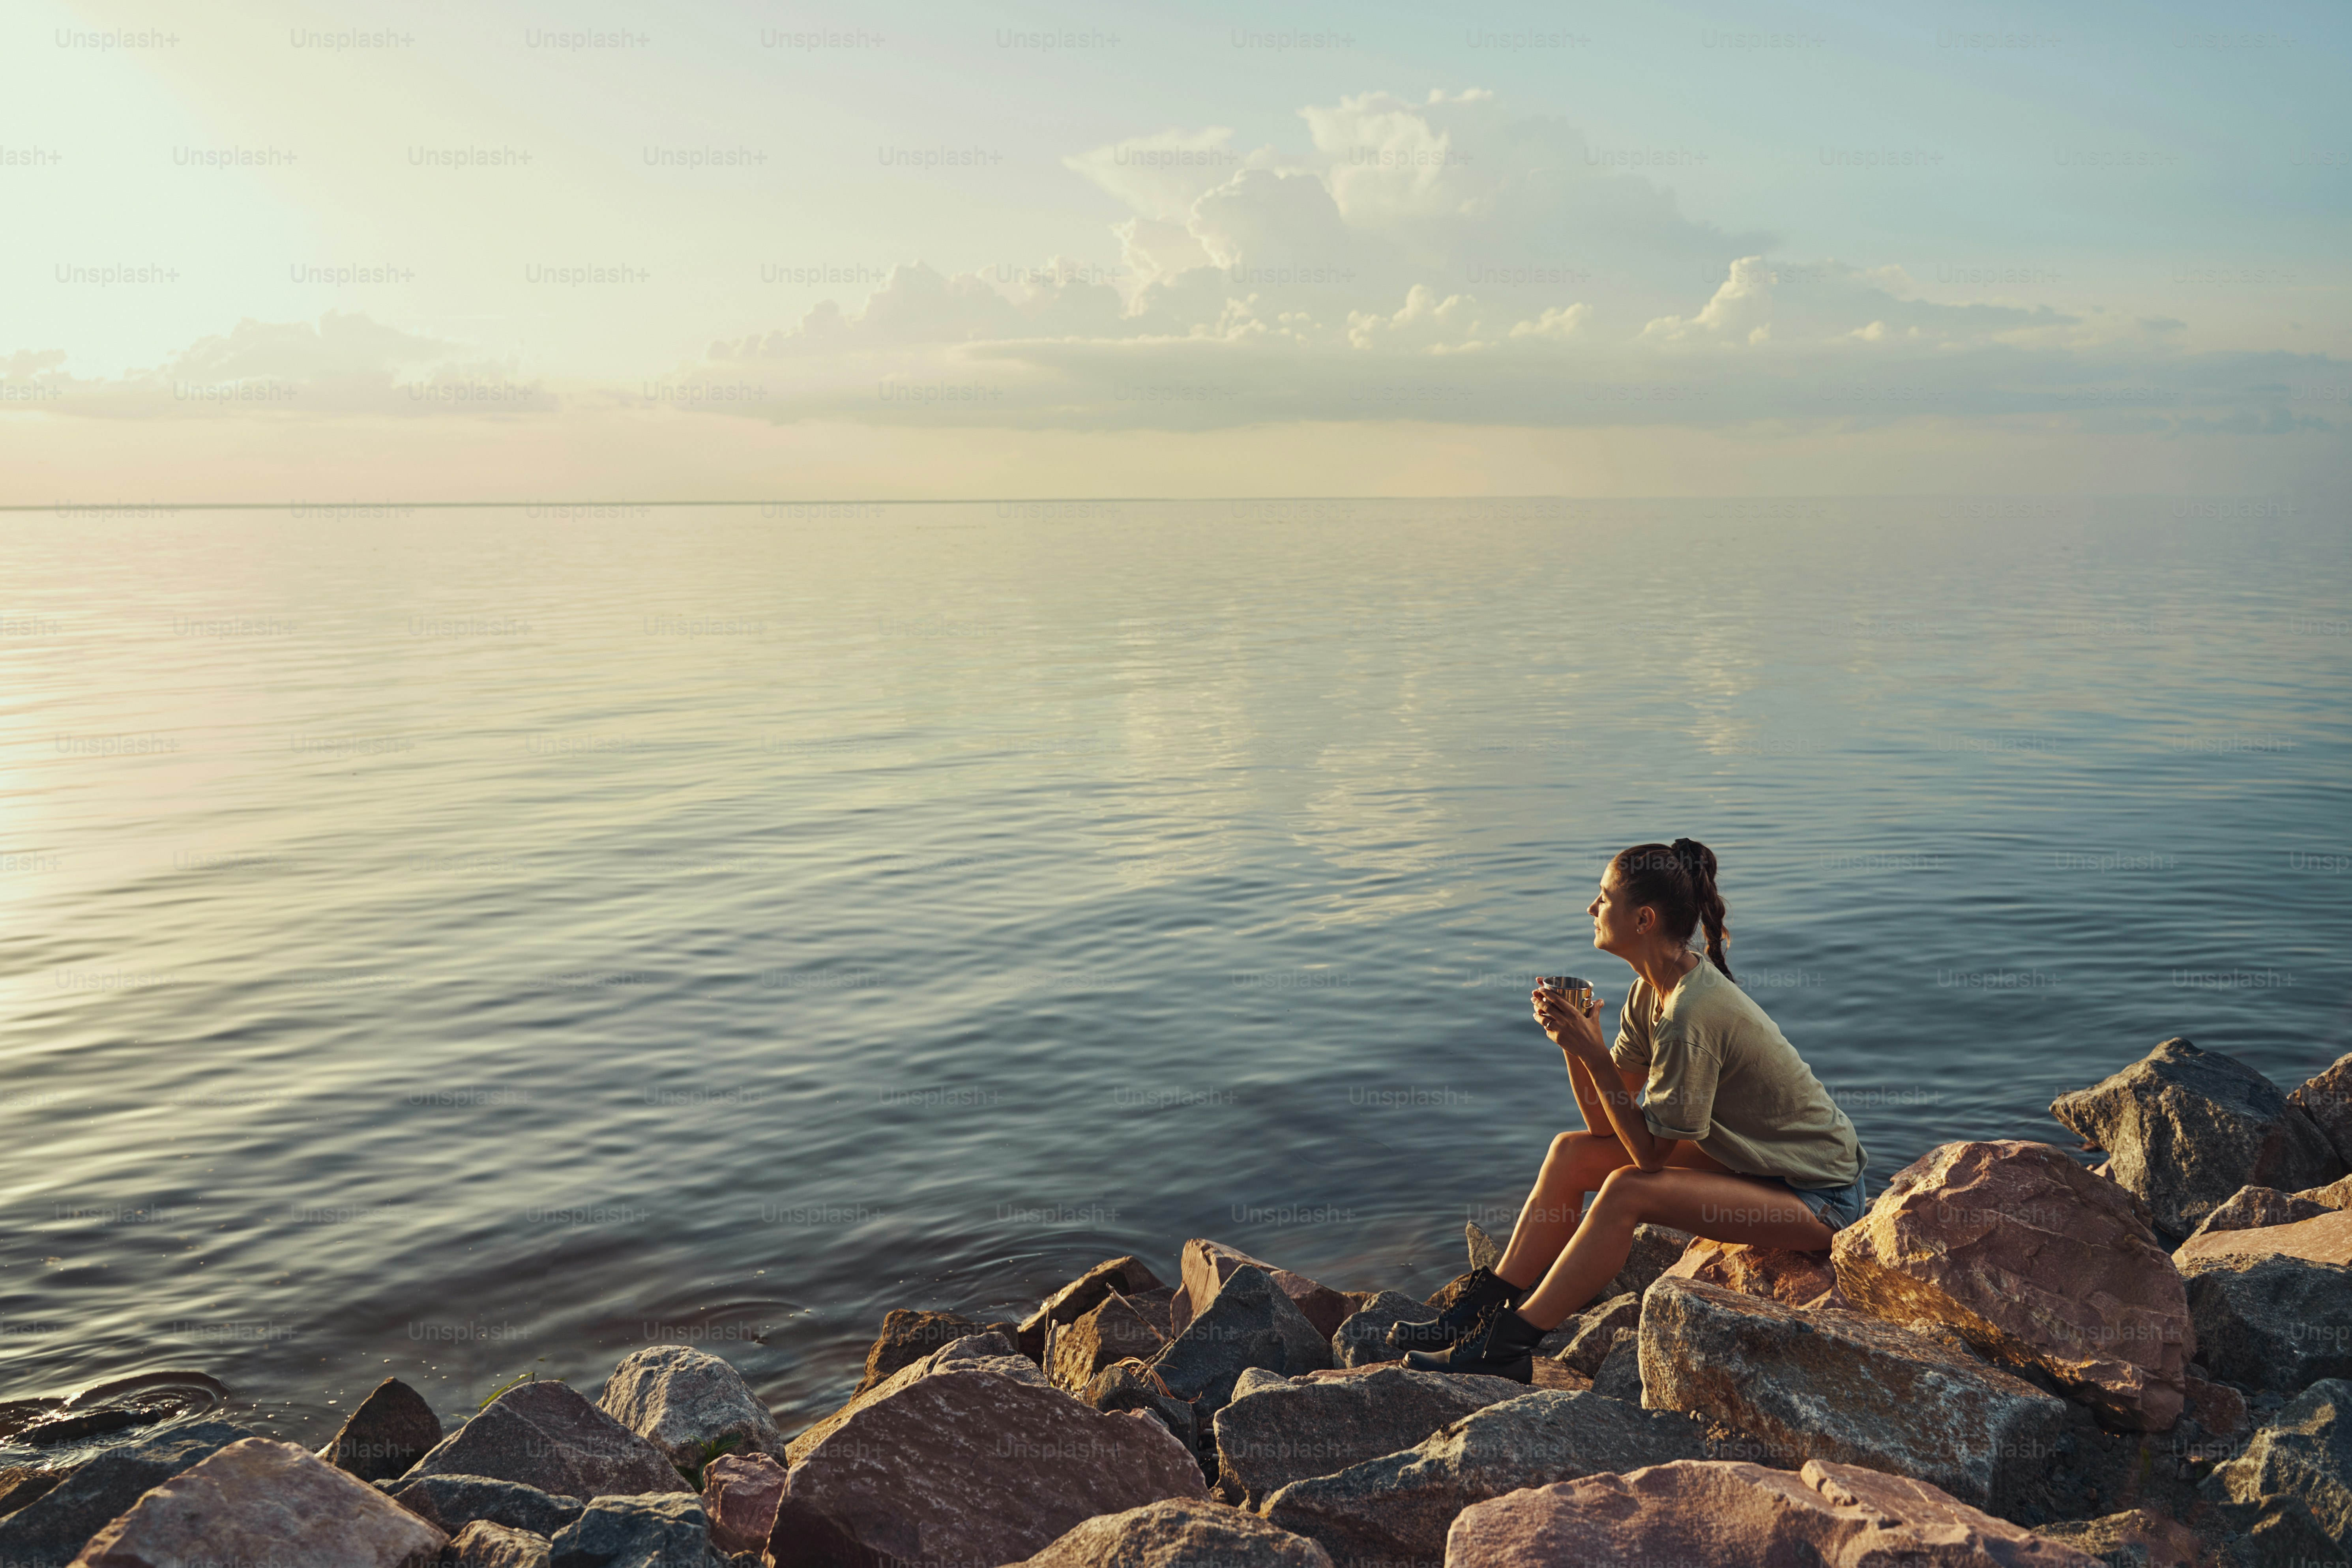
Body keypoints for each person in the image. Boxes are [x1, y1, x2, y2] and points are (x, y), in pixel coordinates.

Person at [1393, 838, 1869, 1381]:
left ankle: (1507, 1345)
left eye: (1602, 896)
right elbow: (1605, 1125)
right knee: (1572, 1152)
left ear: (1643, 918)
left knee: (1627, 1190)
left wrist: (1594, 1053)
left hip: (1821, 1197)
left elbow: (1646, 1155)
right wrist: (1576, 1045)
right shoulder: (1652, 991)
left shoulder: (1693, 1011)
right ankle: (1474, 1314)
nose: (1591, 908)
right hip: (1761, 1165)